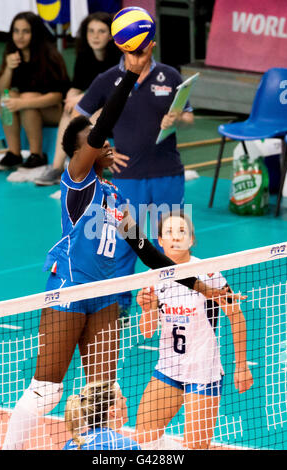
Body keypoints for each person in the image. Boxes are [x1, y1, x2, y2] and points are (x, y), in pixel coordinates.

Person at [2, 44, 237, 450]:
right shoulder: (78, 183)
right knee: (47, 392)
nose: (108, 144)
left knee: (101, 392)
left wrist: (203, 287)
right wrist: (129, 74)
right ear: (82, 154)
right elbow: (99, 125)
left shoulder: (114, 197)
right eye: (100, 142)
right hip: (72, 290)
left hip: (110, 298)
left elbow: (149, 251)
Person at [73, 46, 194, 323]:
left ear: (151, 44)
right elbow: (80, 118)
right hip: (127, 178)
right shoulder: (107, 79)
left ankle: (174, 298)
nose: (138, 51)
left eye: (143, 45)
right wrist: (103, 151)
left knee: (173, 240)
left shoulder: (170, 76)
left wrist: (178, 120)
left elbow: (189, 117)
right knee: (125, 243)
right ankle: (120, 304)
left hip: (168, 173)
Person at [135, 211, 254, 450]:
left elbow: (236, 317)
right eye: (169, 232)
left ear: (192, 240)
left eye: (182, 232)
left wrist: (241, 366)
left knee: (196, 447)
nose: (176, 237)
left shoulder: (208, 274)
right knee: (144, 437)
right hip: (168, 369)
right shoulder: (152, 277)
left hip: (203, 372)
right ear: (159, 241)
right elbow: (148, 332)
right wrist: (146, 309)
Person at [34, 12, 121, 186]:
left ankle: (86, 167)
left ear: (111, 35)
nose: (95, 36)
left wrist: (81, 98)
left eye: (101, 31)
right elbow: (76, 86)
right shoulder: (84, 56)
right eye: (91, 31)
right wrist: (71, 98)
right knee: (69, 113)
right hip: (95, 109)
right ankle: (57, 168)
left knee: (95, 114)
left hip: (120, 112)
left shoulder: (119, 58)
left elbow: (116, 94)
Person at [0, 11, 69, 171]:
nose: (20, 36)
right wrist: (8, 67)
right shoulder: (13, 54)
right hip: (30, 109)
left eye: (25, 31)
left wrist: (23, 102)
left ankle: (37, 155)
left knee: (27, 99)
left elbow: (57, 97)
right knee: (8, 97)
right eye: (16, 31)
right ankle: (14, 153)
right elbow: (1, 90)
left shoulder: (49, 55)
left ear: (35, 33)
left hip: (57, 111)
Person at [63, 381, 140, 450]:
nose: (125, 399)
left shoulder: (70, 444)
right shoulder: (126, 446)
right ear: (113, 411)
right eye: (121, 398)